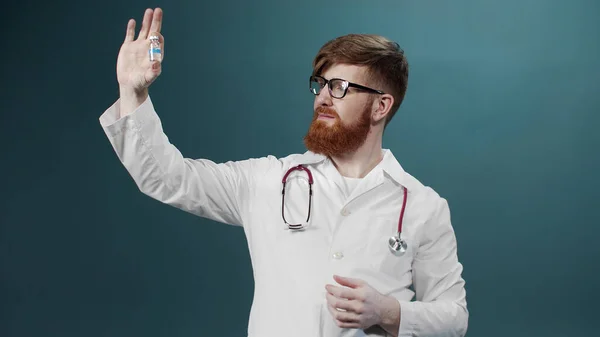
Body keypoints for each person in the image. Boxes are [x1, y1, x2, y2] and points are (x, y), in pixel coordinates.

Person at [99, 7, 468, 337]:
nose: (322, 97)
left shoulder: (422, 207)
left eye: (339, 87)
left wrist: (389, 312)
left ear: (380, 106)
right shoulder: (269, 180)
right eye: (320, 84)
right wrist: (132, 93)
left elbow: (454, 318)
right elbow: (168, 178)